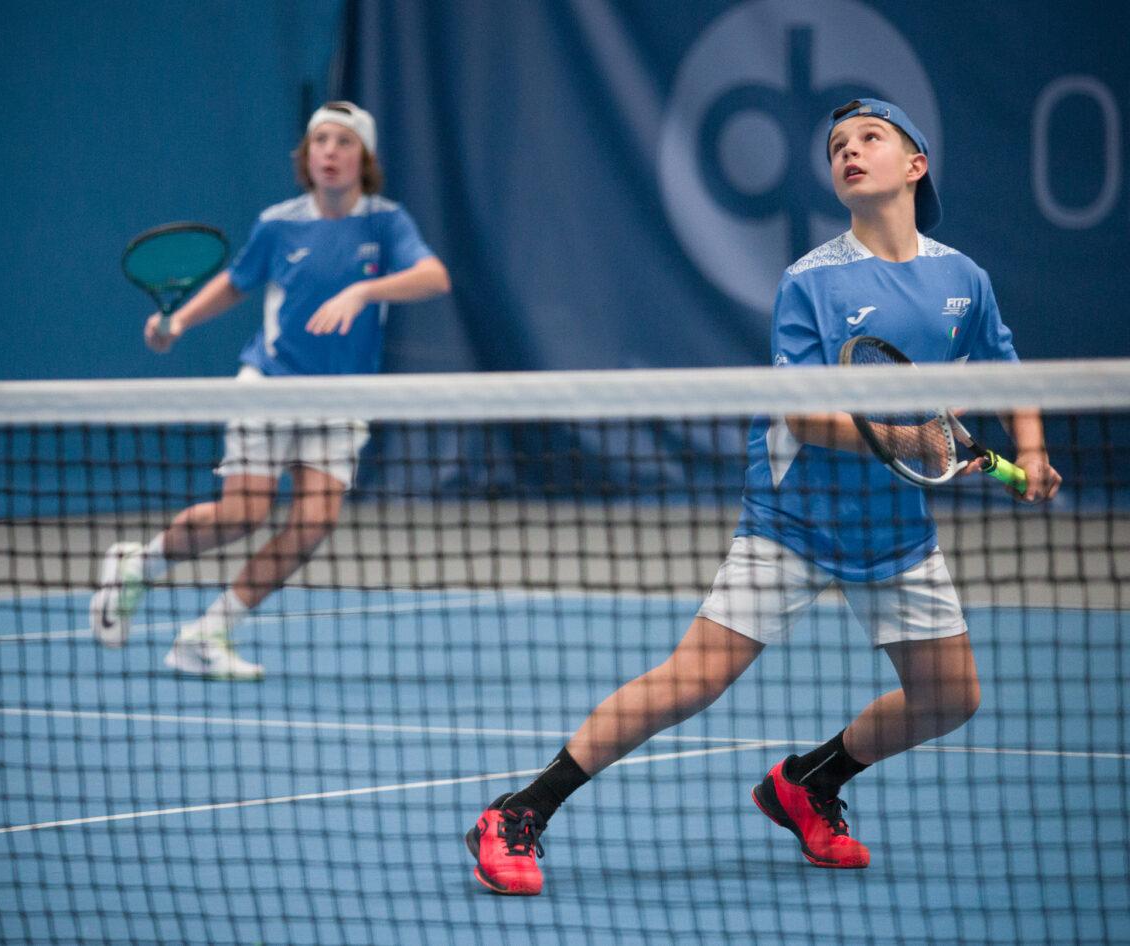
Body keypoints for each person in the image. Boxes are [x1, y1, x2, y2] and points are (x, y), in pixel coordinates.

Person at [465, 98, 1062, 895]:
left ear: (916, 165)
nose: (849, 151)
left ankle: (810, 782)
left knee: (951, 697)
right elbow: (804, 417)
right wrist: (910, 438)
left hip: (893, 525)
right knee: (693, 678)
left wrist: (1032, 449)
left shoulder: (963, 278)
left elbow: (1009, 367)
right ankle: (519, 811)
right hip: (796, 518)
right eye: (838, 145)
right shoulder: (811, 282)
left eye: (871, 138)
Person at [90, 101, 451, 679]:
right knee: (244, 513)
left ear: (364, 157)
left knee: (313, 524)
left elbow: (434, 277)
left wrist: (363, 292)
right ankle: (140, 565)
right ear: (306, 155)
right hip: (271, 386)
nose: (330, 152)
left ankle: (207, 634)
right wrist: (177, 322)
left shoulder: (386, 222)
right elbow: (236, 284)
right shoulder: (279, 223)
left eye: (344, 142)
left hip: (342, 400)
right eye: (320, 141)